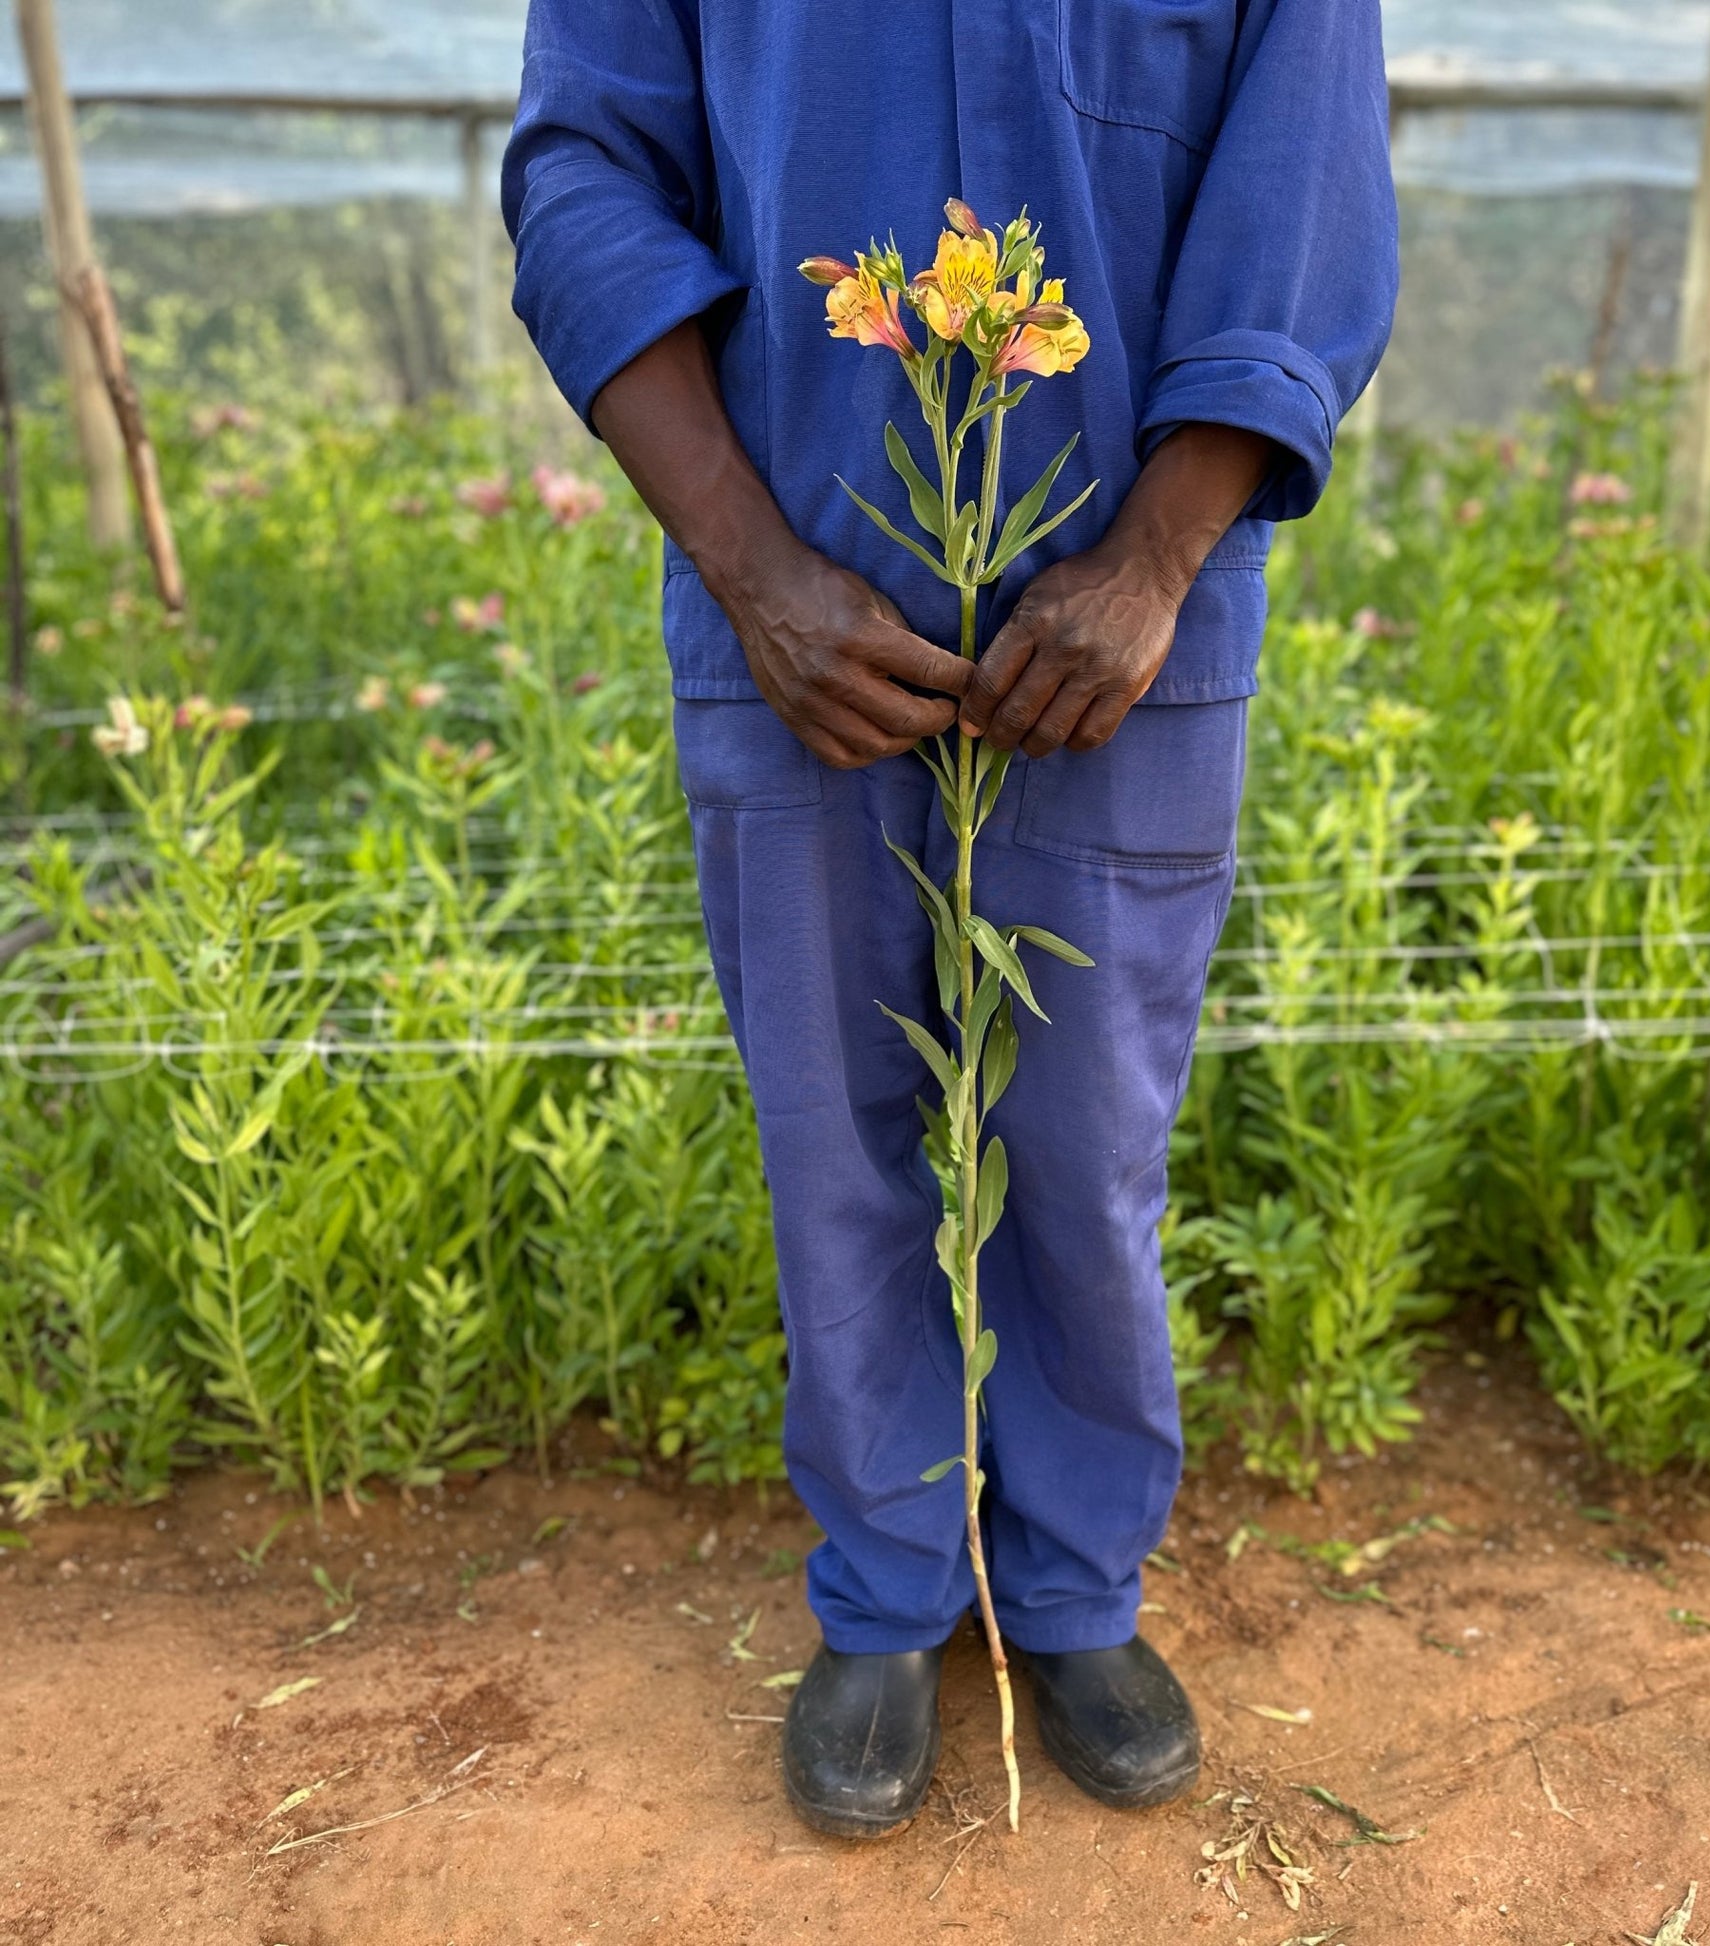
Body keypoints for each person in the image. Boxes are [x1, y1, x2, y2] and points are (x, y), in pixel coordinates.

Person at [504, 0, 1397, 1837]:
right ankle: (887, 1593)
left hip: (1119, 645)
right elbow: (584, 173)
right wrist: (753, 574)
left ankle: (1071, 1588)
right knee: (837, 1130)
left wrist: (1154, 561)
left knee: (1084, 1138)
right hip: (794, 625)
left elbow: (1300, 187)